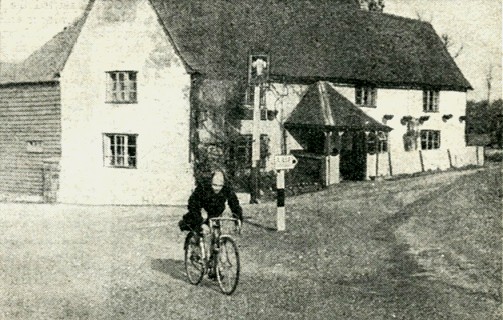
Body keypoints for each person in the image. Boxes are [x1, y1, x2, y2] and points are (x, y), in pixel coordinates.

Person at [178, 170, 243, 233]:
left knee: (215, 226)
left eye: (220, 185)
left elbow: (235, 205)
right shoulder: (203, 187)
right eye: (214, 185)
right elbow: (193, 205)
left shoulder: (227, 188)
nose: (217, 188)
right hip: (201, 205)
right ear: (210, 182)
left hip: (216, 208)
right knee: (198, 224)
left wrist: (238, 220)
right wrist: (200, 223)